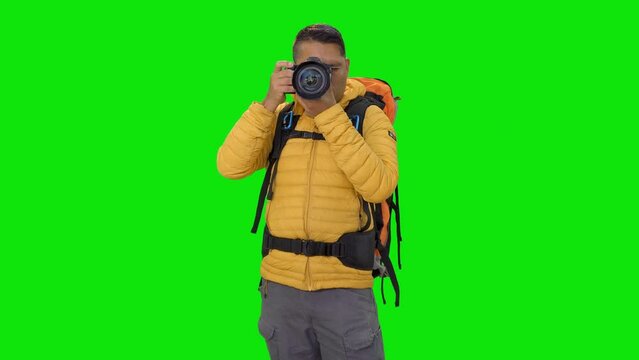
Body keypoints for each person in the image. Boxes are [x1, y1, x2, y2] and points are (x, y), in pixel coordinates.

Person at [217, 24, 398, 360]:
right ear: (295, 70)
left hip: (344, 290)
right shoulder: (283, 118)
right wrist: (269, 102)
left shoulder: (367, 117)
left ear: (347, 65)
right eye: (313, 69)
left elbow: (379, 184)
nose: (323, 77)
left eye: (333, 68)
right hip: (281, 289)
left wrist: (329, 114)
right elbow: (229, 166)